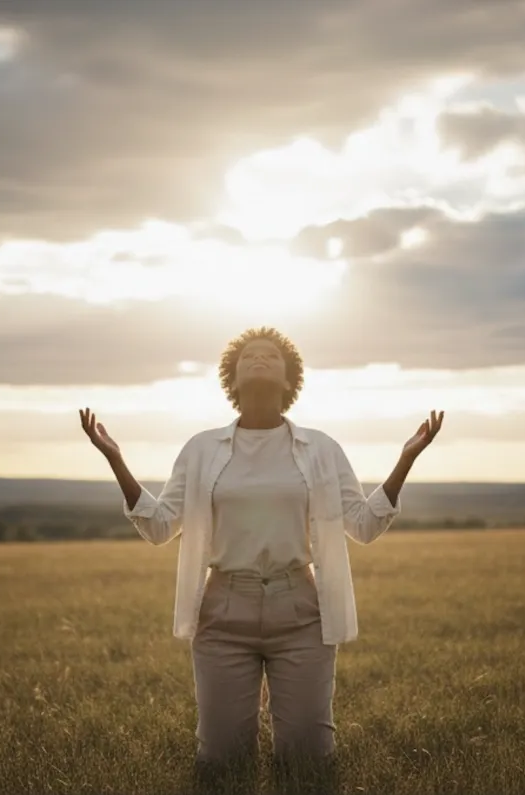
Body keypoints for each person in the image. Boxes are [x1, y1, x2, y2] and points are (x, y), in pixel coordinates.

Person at [79, 326, 443, 786]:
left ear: (290, 380)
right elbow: (158, 526)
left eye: (271, 355)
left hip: (301, 612)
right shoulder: (202, 449)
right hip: (224, 612)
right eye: (249, 354)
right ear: (231, 377)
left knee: (307, 761)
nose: (259, 359)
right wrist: (115, 459)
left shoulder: (321, 449)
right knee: (222, 763)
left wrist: (406, 459)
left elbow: (364, 525)